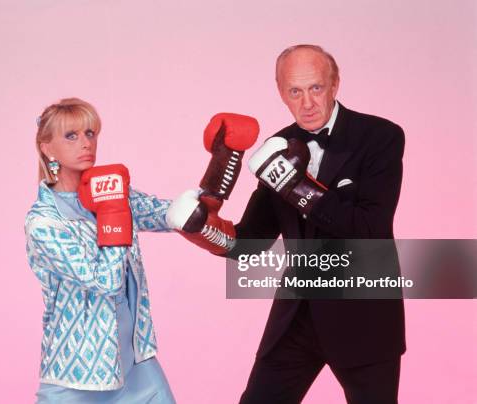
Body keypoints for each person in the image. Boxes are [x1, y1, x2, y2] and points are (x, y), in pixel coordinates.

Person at [167, 45, 405, 404]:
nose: (307, 102)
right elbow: (251, 241)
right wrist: (201, 229)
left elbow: (369, 229)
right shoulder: (278, 146)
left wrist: (294, 185)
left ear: (335, 84)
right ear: (281, 92)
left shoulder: (380, 136)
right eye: (295, 91)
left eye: (316, 88)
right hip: (297, 316)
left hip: (364, 313)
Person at [24, 98, 176, 403]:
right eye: (71, 136)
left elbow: (168, 215)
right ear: (47, 148)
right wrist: (114, 217)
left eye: (90, 133)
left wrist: (214, 178)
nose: (86, 143)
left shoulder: (111, 192)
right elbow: (104, 281)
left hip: (136, 364)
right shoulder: (43, 221)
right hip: (77, 376)